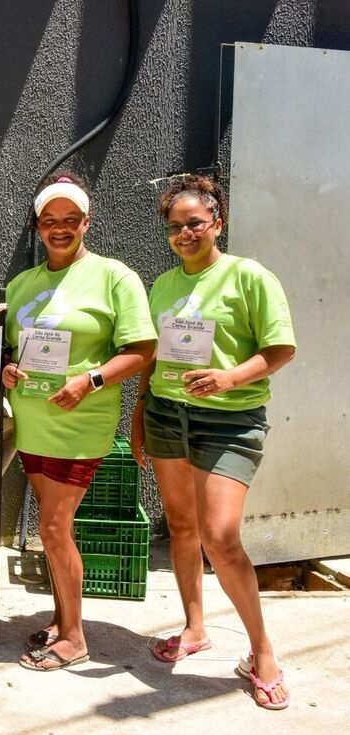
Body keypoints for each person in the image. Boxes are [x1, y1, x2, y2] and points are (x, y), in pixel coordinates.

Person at [132, 174, 294, 709]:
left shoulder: (249, 277)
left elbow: (279, 349)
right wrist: (138, 413)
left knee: (220, 537)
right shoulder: (162, 285)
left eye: (194, 223)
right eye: (175, 227)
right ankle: (195, 627)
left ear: (217, 222)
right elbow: (152, 356)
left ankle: (261, 651)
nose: (184, 234)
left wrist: (229, 378)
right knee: (180, 526)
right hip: (166, 415)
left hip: (228, 420)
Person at [3, 172, 156, 671]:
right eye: (50, 221)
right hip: (32, 425)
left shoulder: (116, 277)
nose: (60, 228)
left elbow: (140, 351)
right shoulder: (22, 284)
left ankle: (73, 638)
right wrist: (6, 370)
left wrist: (89, 381)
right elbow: (10, 350)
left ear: (86, 223)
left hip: (79, 424)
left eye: (71, 220)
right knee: (53, 531)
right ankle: (61, 617)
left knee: (52, 526)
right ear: (37, 227)